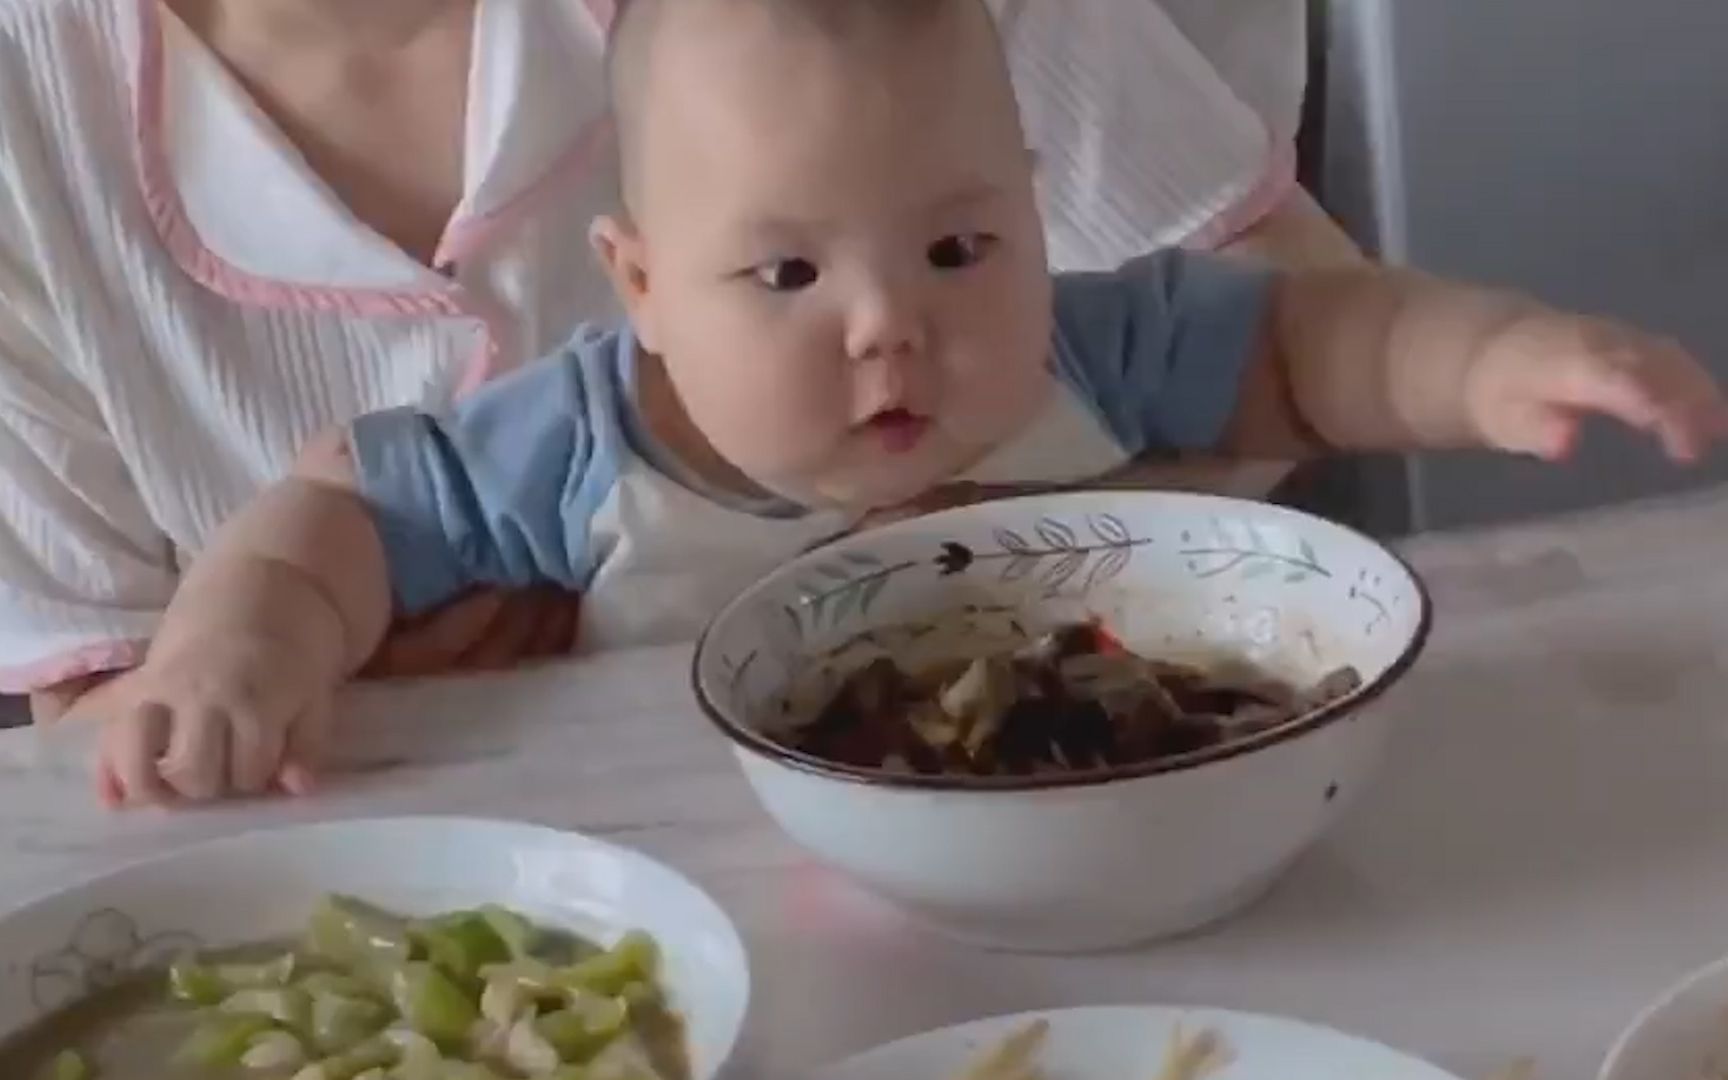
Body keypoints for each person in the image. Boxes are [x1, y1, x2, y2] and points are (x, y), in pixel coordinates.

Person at [84, 0, 1728, 807]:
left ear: (1030, 204)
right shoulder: (590, 438)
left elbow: (1318, 340)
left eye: (956, 246)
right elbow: (341, 517)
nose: (895, 330)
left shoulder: (1085, 347)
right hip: (699, 891)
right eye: (786, 279)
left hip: (1087, 835)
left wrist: (1502, 360)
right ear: (639, 281)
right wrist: (240, 647)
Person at [0, 0, 1330, 725]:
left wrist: (950, 570)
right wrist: (301, 649)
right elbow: (96, 723)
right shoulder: (26, 106)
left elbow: (1296, 316)